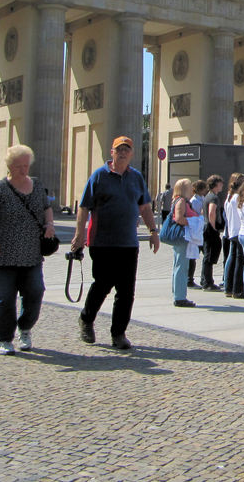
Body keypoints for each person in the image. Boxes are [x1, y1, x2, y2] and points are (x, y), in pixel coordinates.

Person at [70, 136, 159, 350]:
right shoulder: (99, 176)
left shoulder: (136, 177)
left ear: (132, 154)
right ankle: (86, 319)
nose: (123, 153)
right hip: (103, 242)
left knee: (126, 291)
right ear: (111, 152)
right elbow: (84, 206)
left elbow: (145, 207)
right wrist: (79, 234)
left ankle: (118, 333)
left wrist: (153, 231)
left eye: (127, 149)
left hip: (128, 243)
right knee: (102, 285)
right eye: (119, 149)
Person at [0, 145, 53, 354]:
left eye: (26, 165)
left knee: (35, 292)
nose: (24, 170)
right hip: (2, 255)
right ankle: (3, 338)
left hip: (31, 254)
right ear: (10, 166)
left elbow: (46, 208)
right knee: (4, 298)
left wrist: (50, 224)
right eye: (19, 166)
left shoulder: (36, 185)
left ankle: (25, 327)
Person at [168, 178, 198, 308]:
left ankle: (178, 294)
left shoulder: (178, 200)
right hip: (183, 236)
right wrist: (194, 221)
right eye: (190, 186)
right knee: (181, 266)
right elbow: (179, 219)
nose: (192, 189)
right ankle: (180, 297)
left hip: (181, 237)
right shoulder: (181, 201)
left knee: (178, 265)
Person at [223, 172, 244, 299]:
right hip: (239, 230)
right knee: (239, 260)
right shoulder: (238, 197)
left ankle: (228, 287)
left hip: (231, 230)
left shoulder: (229, 197)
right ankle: (237, 289)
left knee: (231, 259)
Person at [200, 174, 225, 291]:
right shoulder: (214, 198)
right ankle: (208, 282)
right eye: (220, 183)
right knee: (209, 256)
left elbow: (202, 211)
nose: (222, 185)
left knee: (207, 255)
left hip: (205, 227)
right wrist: (214, 227)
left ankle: (204, 280)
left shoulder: (207, 196)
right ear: (215, 184)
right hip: (210, 228)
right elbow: (211, 212)